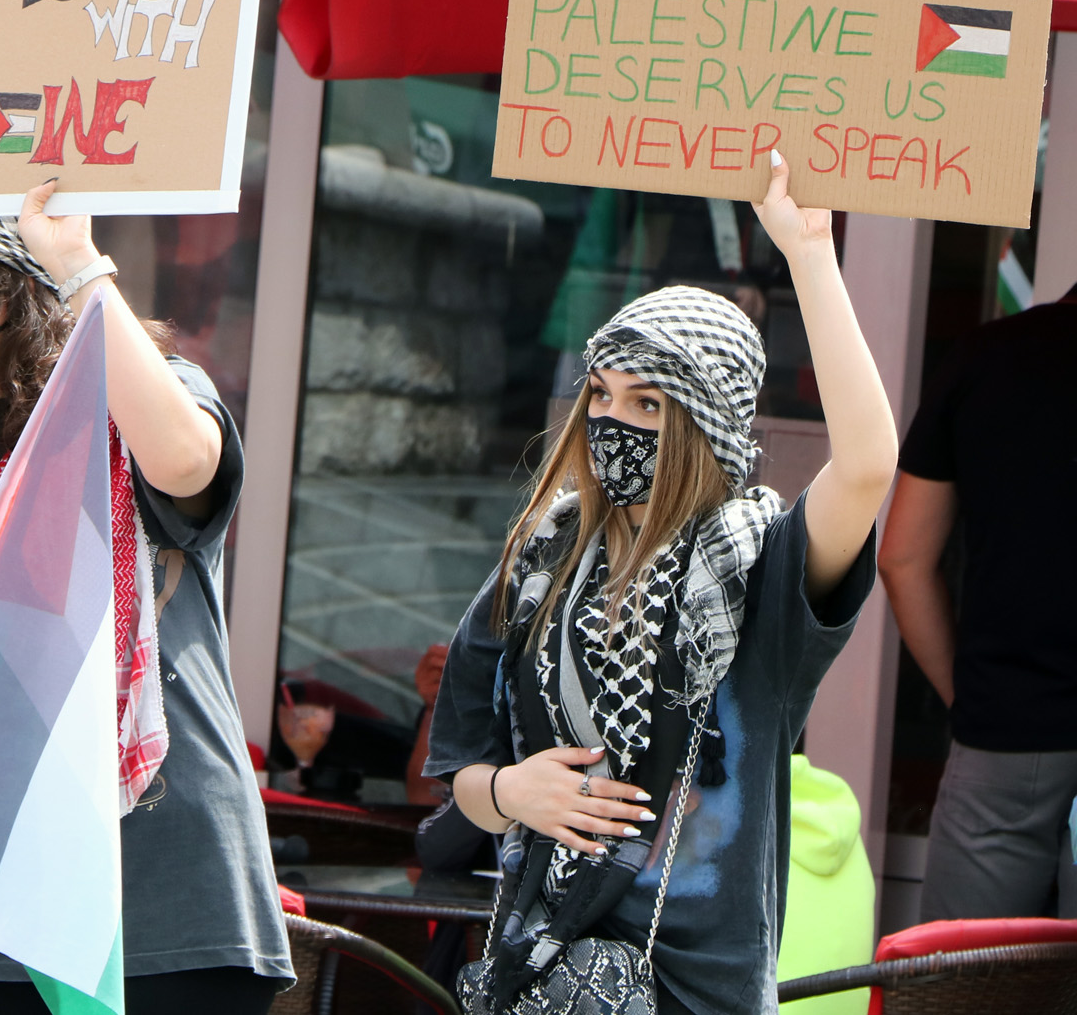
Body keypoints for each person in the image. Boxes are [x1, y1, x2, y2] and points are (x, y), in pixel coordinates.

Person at [424, 153, 897, 1015]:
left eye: (649, 403)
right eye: (601, 393)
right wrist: (511, 791)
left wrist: (810, 252)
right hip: (536, 975)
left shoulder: (764, 571)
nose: (611, 419)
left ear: (705, 422)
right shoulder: (541, 560)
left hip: (695, 992)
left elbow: (867, 465)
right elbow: (459, 766)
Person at [0, 184, 293, 1015]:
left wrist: (78, 263)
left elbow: (188, 463)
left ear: (16, 288)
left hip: (164, 898)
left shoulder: (135, 401)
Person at [879, 280, 1077, 921]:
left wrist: (974, 698)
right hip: (1009, 723)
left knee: (969, 980)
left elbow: (903, 558)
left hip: (1008, 736)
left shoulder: (989, 357)